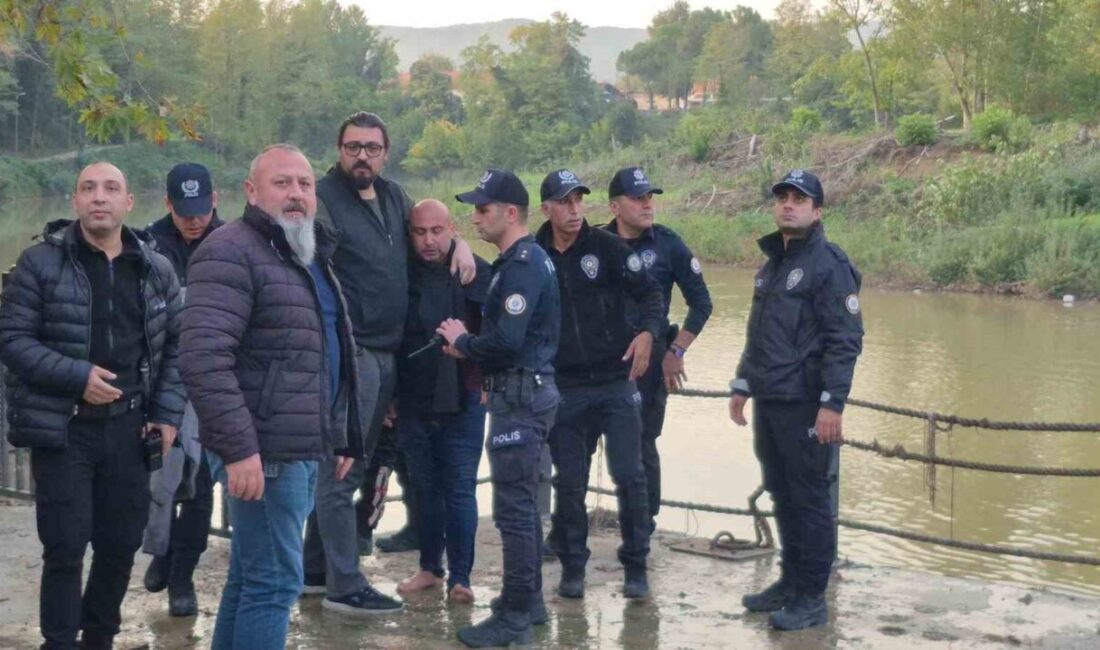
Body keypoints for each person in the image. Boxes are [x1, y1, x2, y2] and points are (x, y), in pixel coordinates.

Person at [178, 144, 363, 648]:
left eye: (305, 184)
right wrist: (239, 450)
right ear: (251, 192)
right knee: (276, 583)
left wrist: (341, 435)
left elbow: (322, 353)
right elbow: (202, 358)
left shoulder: (305, 251)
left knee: (251, 578)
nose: (297, 194)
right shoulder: (230, 249)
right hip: (264, 453)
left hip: (295, 447)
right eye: (282, 183)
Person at [0, 162, 185, 650]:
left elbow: (177, 350)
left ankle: (99, 638)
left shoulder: (154, 268)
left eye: (110, 189)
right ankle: (59, 643)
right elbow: (13, 340)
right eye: (88, 189)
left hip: (129, 429)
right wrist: (76, 376)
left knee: (120, 544)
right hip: (65, 429)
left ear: (128, 202)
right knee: (64, 546)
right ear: (75, 202)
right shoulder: (40, 263)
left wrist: (166, 415)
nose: (99, 197)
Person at [303, 112, 475, 614]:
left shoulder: (397, 198)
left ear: (386, 151)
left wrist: (460, 243)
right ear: (339, 150)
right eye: (353, 146)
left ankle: (316, 570)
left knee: (358, 463)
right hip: (348, 353)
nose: (363, 156)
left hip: (389, 354)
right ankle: (344, 584)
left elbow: (429, 238)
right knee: (342, 468)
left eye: (372, 148)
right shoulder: (322, 200)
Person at [728, 169, 863, 631]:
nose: (788, 204)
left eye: (799, 199)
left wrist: (832, 403)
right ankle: (789, 582)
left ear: (817, 211)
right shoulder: (773, 264)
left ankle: (811, 597)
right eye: (783, 197)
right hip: (772, 399)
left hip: (806, 403)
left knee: (809, 501)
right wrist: (743, 383)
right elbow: (761, 333)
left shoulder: (829, 264)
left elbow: (845, 339)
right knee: (782, 495)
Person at [437, 169, 560, 647]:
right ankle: (528, 606)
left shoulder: (524, 264)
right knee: (523, 509)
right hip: (519, 391)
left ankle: (514, 615)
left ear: (511, 213)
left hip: (521, 397)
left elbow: (508, 340)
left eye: (483, 209)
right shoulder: (522, 261)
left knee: (514, 512)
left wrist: (463, 341)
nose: (476, 217)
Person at [534, 169, 666, 600]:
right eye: (565, 202)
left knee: (630, 475)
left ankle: (636, 565)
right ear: (547, 208)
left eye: (579, 201)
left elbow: (651, 295)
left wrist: (648, 333)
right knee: (568, 481)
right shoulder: (534, 255)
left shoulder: (608, 248)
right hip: (564, 386)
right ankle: (573, 567)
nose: (574, 210)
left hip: (615, 380)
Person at [602, 166, 712, 534]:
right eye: (638, 198)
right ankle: (571, 525)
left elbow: (702, 304)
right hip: (601, 362)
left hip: (650, 362)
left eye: (650, 196)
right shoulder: (597, 244)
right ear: (615, 206)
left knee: (642, 441)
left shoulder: (668, 245)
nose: (647, 204)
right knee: (584, 440)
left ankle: (643, 523)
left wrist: (676, 351)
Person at [395, 199, 491, 603]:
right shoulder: (400, 273)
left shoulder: (476, 272)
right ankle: (430, 568)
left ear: (451, 228)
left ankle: (461, 577)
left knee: (460, 489)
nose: (428, 241)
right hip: (413, 400)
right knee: (423, 489)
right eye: (419, 232)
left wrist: (487, 378)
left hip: (464, 399)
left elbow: (498, 335)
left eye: (437, 231)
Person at [141, 162, 224, 617]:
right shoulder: (147, 244)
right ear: (168, 204)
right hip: (162, 381)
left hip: (214, 381)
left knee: (201, 484)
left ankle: (182, 576)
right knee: (161, 477)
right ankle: (161, 550)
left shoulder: (232, 240)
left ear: (216, 199)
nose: (194, 220)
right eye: (184, 210)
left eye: (202, 209)